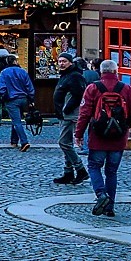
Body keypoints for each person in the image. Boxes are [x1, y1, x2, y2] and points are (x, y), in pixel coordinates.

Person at [74, 58, 131, 217]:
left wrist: (79, 134)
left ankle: (101, 195)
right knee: (112, 172)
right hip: (118, 138)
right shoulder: (127, 89)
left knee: (94, 166)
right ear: (116, 72)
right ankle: (110, 206)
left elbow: (84, 114)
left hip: (98, 136)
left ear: (101, 72)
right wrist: (123, 126)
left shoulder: (93, 88)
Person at [51, 53, 88, 184]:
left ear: (70, 63)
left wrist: (66, 109)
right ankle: (68, 172)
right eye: (60, 61)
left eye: (64, 61)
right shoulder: (66, 75)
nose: (61, 63)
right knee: (67, 143)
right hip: (64, 114)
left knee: (64, 143)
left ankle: (81, 169)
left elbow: (78, 95)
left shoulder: (74, 76)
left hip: (69, 114)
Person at [0, 51, 36, 151]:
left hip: (11, 99)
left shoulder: (4, 73)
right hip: (23, 99)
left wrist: (4, 98)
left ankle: (24, 142)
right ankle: (14, 141)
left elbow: (2, 88)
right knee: (16, 120)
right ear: (15, 61)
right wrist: (31, 99)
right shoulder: (23, 72)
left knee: (16, 121)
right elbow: (29, 87)